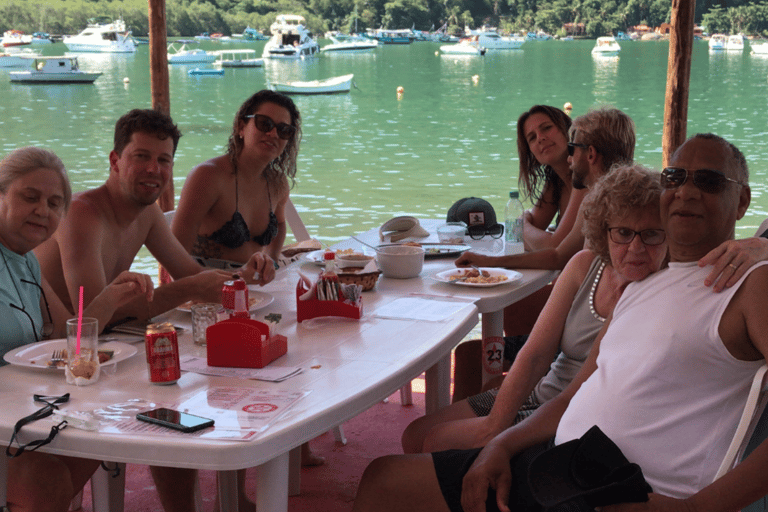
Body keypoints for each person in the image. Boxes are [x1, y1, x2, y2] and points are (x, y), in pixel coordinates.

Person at [352, 133, 768, 512]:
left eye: (709, 181)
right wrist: (501, 442)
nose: (686, 192)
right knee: (382, 477)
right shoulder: (644, 284)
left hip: (618, 491)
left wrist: (699, 509)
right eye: (674, 177)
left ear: (743, 201)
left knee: (387, 487)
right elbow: (572, 396)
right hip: (556, 466)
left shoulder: (751, 283)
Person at [403, 164, 666, 453]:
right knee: (417, 434)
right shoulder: (585, 265)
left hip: (573, 418)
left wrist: (496, 433)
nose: (636, 247)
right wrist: (494, 424)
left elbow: (582, 390)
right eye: (624, 232)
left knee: (437, 442)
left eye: (652, 234)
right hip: (541, 392)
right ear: (604, 231)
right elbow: (535, 354)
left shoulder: (661, 290)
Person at [0, 146, 153, 512]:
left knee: (101, 434)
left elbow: (67, 338)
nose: (43, 211)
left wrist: (113, 296)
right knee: (45, 476)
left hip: (15, 411)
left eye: (55, 203)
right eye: (30, 197)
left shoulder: (26, 262)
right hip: (7, 418)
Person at [453, 106, 635, 400]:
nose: (540, 140)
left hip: (578, 333)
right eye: (531, 138)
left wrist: (499, 254)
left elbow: (554, 251)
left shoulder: (591, 191)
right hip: (579, 320)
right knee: (499, 324)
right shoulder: (564, 182)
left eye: (547, 129)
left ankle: (485, 414)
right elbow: (544, 238)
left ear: (584, 150)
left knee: (485, 347)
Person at [34, 108, 275, 324]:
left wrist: (242, 275)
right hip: (53, 351)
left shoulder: (147, 213)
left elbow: (190, 273)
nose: (153, 169)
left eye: (163, 160)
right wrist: (187, 289)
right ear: (115, 161)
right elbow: (93, 315)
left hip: (111, 341)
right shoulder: (80, 214)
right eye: (141, 156)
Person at [172, 90, 299, 267]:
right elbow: (174, 252)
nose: (273, 134)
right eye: (264, 123)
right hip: (204, 284)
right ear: (241, 127)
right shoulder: (208, 176)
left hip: (257, 288)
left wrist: (272, 260)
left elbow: (279, 223)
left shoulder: (277, 183)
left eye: (284, 130)